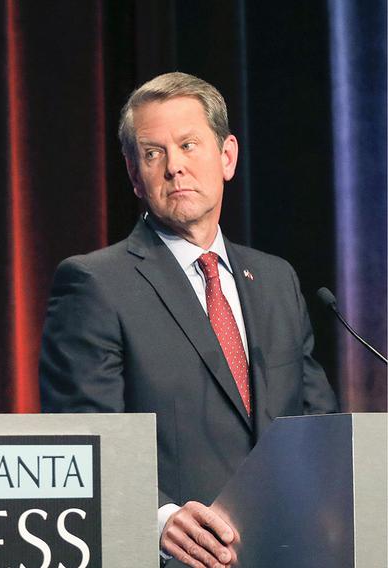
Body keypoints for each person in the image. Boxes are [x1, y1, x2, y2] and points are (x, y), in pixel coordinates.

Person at [38, 72, 337, 567]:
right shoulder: (95, 284)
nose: (174, 167)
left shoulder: (277, 279)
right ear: (135, 176)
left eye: (188, 145)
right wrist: (157, 519)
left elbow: (317, 423)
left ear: (227, 157)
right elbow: (83, 443)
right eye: (153, 153)